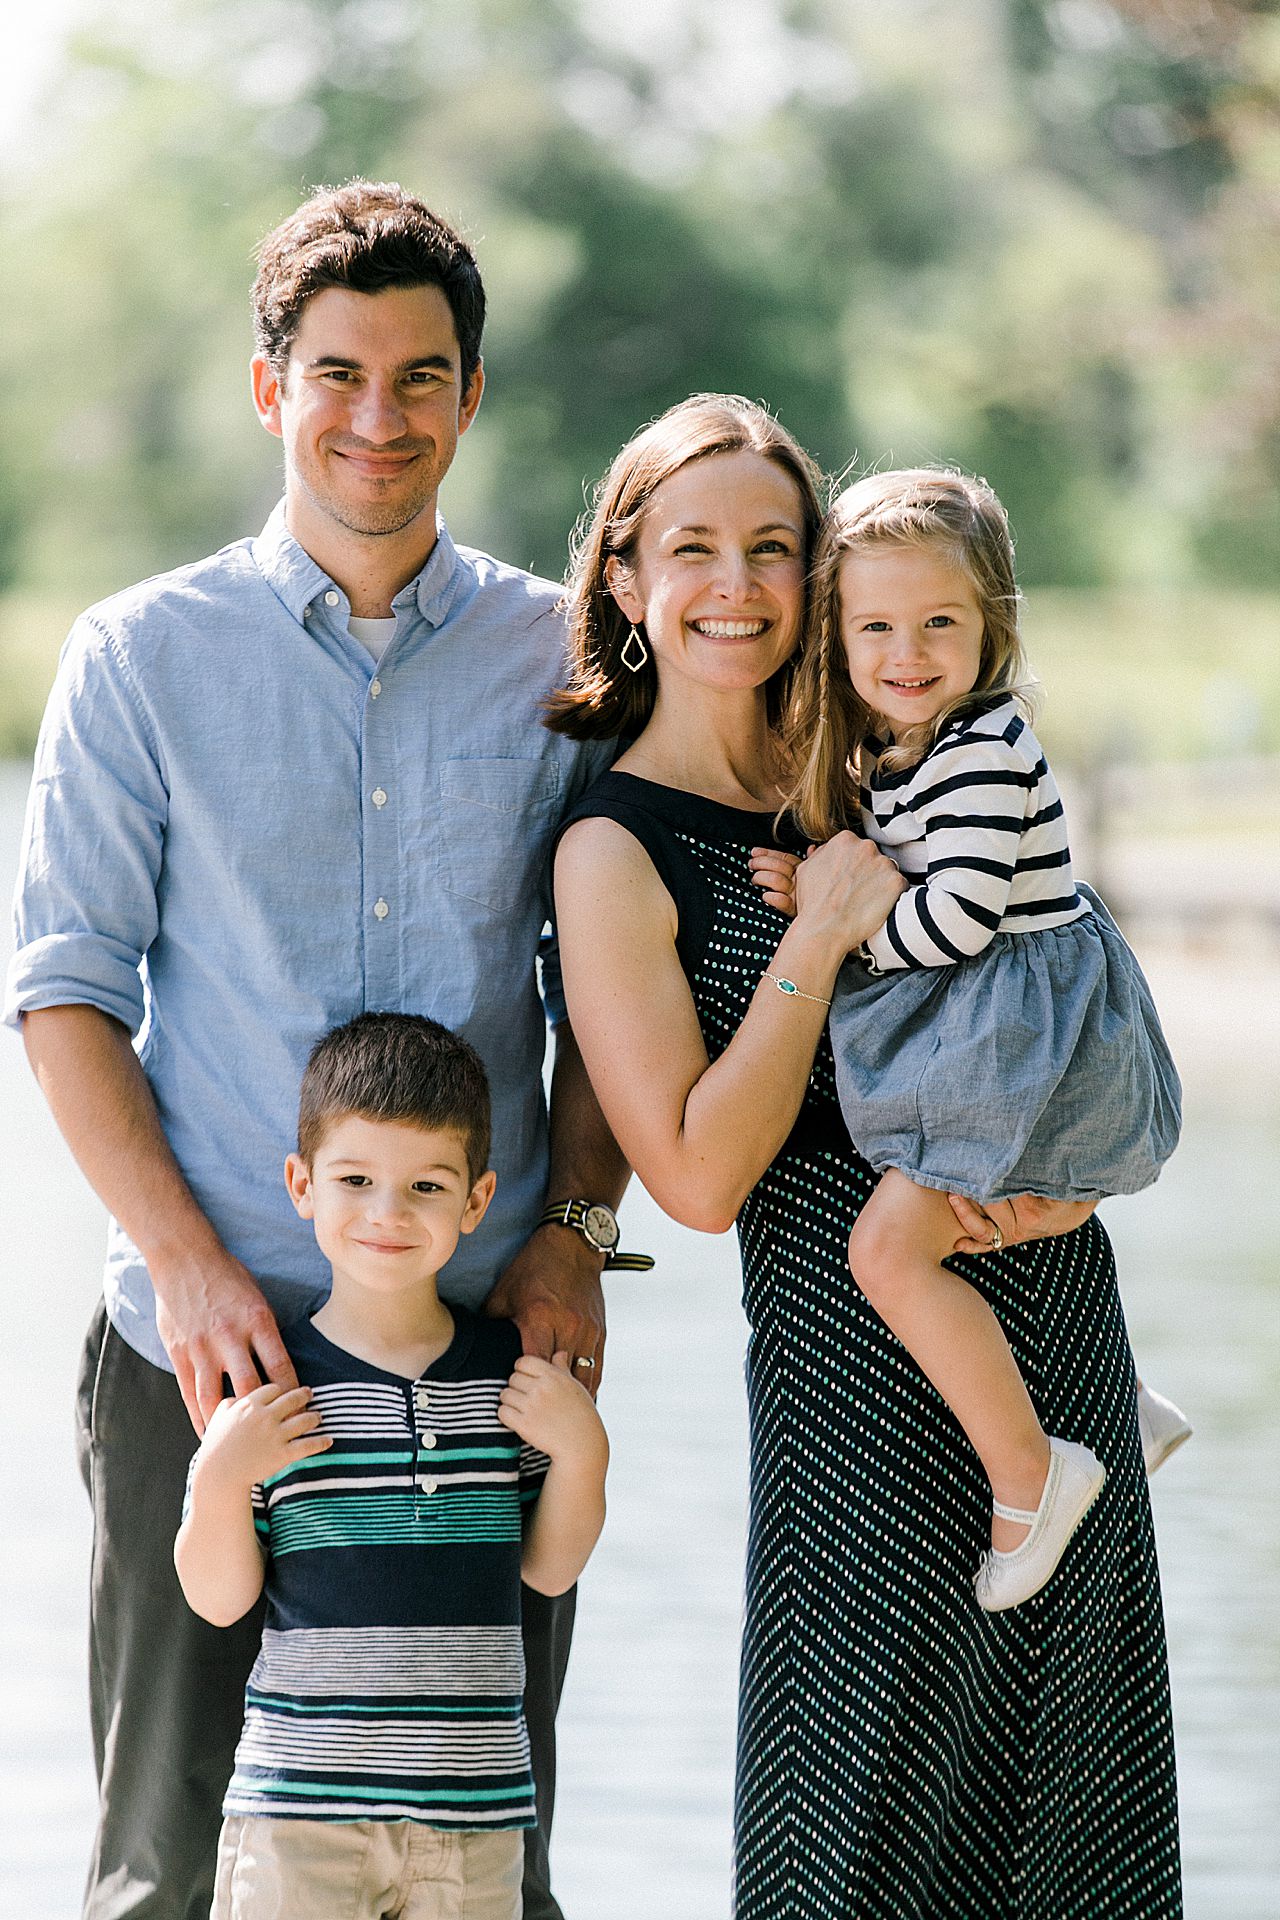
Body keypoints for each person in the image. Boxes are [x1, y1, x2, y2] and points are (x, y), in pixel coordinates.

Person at [4, 181, 627, 1920]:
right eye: (339, 372)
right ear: (271, 386)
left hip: (482, 1357)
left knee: (480, 1861)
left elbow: (613, 995)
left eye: (422, 375)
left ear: (471, 396)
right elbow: (64, 995)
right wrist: (195, 1270)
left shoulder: (564, 664)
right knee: (164, 1870)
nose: (380, 417)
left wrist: (573, 1229)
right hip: (209, 1361)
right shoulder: (140, 657)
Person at [547, 395, 1182, 1916]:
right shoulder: (610, 846)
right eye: (693, 547)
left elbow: (1053, 969)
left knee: (1079, 1824)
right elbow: (696, 1181)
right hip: (857, 1372)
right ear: (626, 578)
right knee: (861, 1831)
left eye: (774, 547)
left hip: (1047, 1324)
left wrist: (1081, 1174)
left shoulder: (891, 756)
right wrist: (820, 937)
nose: (739, 584)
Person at [750, 467, 1185, 1609]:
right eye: (874, 624)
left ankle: (1032, 1472)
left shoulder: (985, 749)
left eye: (939, 622)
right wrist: (820, 879)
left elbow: (949, 920)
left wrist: (826, 925)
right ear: (836, 632)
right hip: (994, 1029)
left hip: (1015, 1031)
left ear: (990, 624)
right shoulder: (909, 745)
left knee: (888, 1253)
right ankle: (1106, 1406)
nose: (906, 649)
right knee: (987, 1221)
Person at [176, 1012, 609, 1920]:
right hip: (301, 1819)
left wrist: (583, 1453)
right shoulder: (274, 1387)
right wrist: (219, 1477)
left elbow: (549, 1567)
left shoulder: (507, 1375)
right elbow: (219, 1599)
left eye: (425, 1186)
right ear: (302, 1184)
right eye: (356, 1180)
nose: (388, 1213)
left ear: (477, 1202)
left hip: (475, 1823)